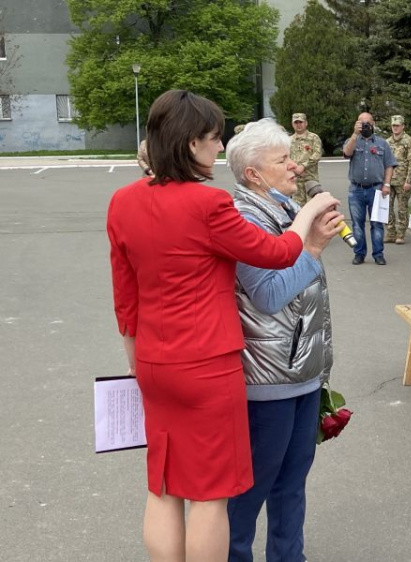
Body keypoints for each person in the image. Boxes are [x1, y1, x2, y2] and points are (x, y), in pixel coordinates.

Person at [106, 90, 338, 562]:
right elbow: (277, 254)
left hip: (153, 362)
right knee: (211, 496)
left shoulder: (123, 202)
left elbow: (125, 301)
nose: (218, 148)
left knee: (165, 486)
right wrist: (310, 215)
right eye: (212, 138)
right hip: (208, 367)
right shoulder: (208, 204)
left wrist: (137, 363)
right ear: (191, 143)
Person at [224, 119, 343, 562]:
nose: (295, 167)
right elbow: (270, 294)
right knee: (250, 491)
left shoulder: (283, 207)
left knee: (292, 483)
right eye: (283, 160)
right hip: (267, 381)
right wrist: (311, 247)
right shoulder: (242, 216)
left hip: (301, 372)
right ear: (253, 173)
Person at [342, 112, 397, 265]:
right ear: (357, 123)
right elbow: (347, 153)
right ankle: (359, 254)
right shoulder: (352, 141)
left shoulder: (382, 143)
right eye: (361, 122)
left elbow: (389, 165)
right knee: (357, 224)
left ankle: (378, 254)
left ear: (373, 123)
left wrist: (386, 184)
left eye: (368, 122)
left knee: (377, 224)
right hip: (356, 190)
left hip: (376, 189)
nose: (365, 125)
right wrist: (354, 134)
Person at [385, 115, 411, 244]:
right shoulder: (387, 142)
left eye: (398, 125)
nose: (395, 128)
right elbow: (384, 162)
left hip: (402, 181)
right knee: (387, 208)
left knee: (402, 208)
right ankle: (390, 232)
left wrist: (409, 180)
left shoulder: (409, 141)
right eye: (394, 125)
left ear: (403, 126)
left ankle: (401, 234)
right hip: (389, 180)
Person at [289, 113, 323, 206]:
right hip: (296, 182)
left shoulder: (313, 138)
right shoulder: (289, 140)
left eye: (301, 122)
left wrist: (303, 166)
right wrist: (296, 168)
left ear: (306, 123)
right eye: (296, 122)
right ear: (292, 124)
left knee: (313, 208)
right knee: (298, 211)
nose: (298, 125)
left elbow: (317, 154)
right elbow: (286, 158)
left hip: (310, 180)